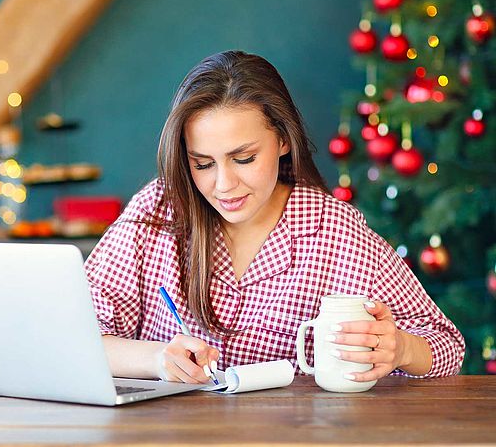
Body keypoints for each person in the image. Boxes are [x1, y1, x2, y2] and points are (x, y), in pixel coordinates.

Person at [84, 51, 465, 384]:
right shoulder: (157, 210)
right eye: (202, 164)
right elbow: (71, 338)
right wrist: (156, 359)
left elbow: (446, 346)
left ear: (283, 139)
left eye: (244, 158)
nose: (224, 185)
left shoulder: (335, 231)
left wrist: (400, 349)